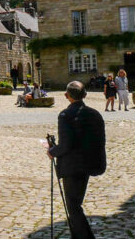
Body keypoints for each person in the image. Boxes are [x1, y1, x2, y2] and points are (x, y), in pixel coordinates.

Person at [47, 81, 107, 239]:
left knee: (73, 206)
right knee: (75, 204)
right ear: (85, 95)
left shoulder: (65, 115)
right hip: (89, 163)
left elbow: (66, 144)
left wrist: (52, 150)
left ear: (66, 96)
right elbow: (99, 141)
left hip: (72, 166)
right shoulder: (95, 114)